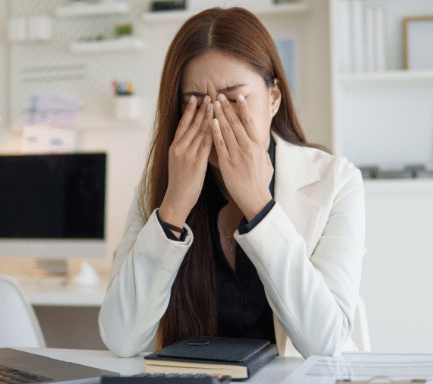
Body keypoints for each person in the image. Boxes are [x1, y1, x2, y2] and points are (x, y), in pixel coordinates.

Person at [98, 7, 365, 358]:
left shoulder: (337, 180)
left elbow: (324, 342)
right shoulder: (160, 185)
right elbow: (121, 338)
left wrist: (259, 206)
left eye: (235, 99)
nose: (216, 119)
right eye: (195, 104)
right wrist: (174, 206)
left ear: (273, 99)